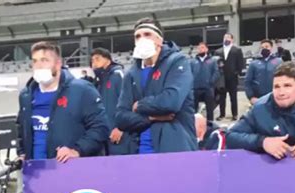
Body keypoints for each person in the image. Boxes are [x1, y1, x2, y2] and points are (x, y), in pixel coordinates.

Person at [17, 41, 109, 163]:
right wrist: (22, 153)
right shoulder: (26, 95)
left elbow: (101, 128)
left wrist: (77, 150)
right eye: (35, 61)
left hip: (69, 171)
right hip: (35, 172)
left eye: (44, 60)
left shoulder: (82, 90)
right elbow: (20, 128)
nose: (38, 66)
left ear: (58, 63)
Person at [116, 18, 197, 154]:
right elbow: (120, 117)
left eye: (147, 34)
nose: (142, 39)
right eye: (137, 36)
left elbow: (171, 102)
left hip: (173, 148)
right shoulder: (131, 73)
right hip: (137, 150)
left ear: (159, 40)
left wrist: (139, 106)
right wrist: (151, 117)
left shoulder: (178, 62)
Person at [227, 62, 295, 160]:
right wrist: (263, 142)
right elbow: (231, 136)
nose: (281, 93)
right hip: (275, 170)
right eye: (276, 87)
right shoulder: (261, 107)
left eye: (287, 86)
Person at [90, 48, 133, 155]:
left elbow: (129, 102)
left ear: (108, 60)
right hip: (104, 134)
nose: (94, 63)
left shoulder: (118, 75)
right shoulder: (99, 82)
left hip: (120, 133)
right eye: (92, 61)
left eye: (97, 59)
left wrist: (121, 128)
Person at [215, 33, 245, 121]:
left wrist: (238, 72)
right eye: (224, 37)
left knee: (233, 97)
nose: (226, 39)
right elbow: (215, 64)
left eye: (228, 37)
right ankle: (222, 114)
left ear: (232, 39)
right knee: (221, 97)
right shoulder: (218, 51)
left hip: (232, 76)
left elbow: (241, 63)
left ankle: (234, 114)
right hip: (222, 78)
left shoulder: (237, 50)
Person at [245, 39, 282, 105]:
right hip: (258, 98)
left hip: (275, 97)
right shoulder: (254, 63)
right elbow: (247, 81)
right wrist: (251, 97)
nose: (264, 49)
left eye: (266, 47)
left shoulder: (278, 62)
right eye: (262, 47)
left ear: (271, 48)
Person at [191, 42, 219, 121]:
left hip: (208, 89)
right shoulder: (192, 61)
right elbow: (189, 73)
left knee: (210, 109)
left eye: (202, 47)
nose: (200, 49)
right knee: (194, 110)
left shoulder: (212, 61)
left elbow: (216, 73)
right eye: (199, 48)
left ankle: (210, 125)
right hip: (195, 89)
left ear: (206, 49)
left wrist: (211, 82)